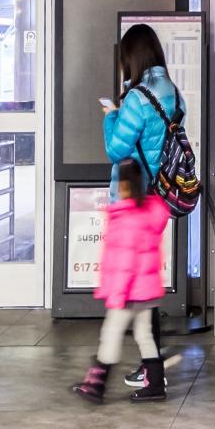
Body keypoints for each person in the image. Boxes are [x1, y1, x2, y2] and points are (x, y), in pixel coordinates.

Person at [100, 24, 183, 391]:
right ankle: (151, 363)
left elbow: (117, 149)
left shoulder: (137, 98)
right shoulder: (173, 93)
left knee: (129, 285)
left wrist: (110, 115)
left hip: (133, 196)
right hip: (159, 200)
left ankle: (148, 366)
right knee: (144, 281)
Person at [71, 159, 171, 404]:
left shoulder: (126, 219)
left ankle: (96, 385)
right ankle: (155, 385)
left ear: (125, 185)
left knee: (111, 333)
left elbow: (125, 263)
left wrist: (117, 295)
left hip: (128, 292)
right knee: (145, 335)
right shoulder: (148, 213)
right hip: (146, 291)